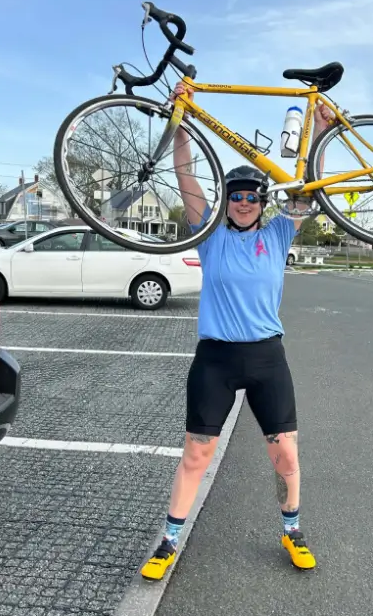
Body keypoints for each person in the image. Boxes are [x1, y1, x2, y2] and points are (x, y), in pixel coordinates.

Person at [140, 82, 333, 580]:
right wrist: (180, 127)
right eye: (236, 196)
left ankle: (292, 530)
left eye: (252, 196)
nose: (244, 202)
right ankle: (168, 541)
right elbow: (185, 175)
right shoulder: (210, 236)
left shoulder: (279, 231)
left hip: (267, 357)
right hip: (217, 360)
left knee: (285, 452)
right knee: (196, 453)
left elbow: (310, 185)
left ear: (262, 203)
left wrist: (318, 134)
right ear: (226, 201)